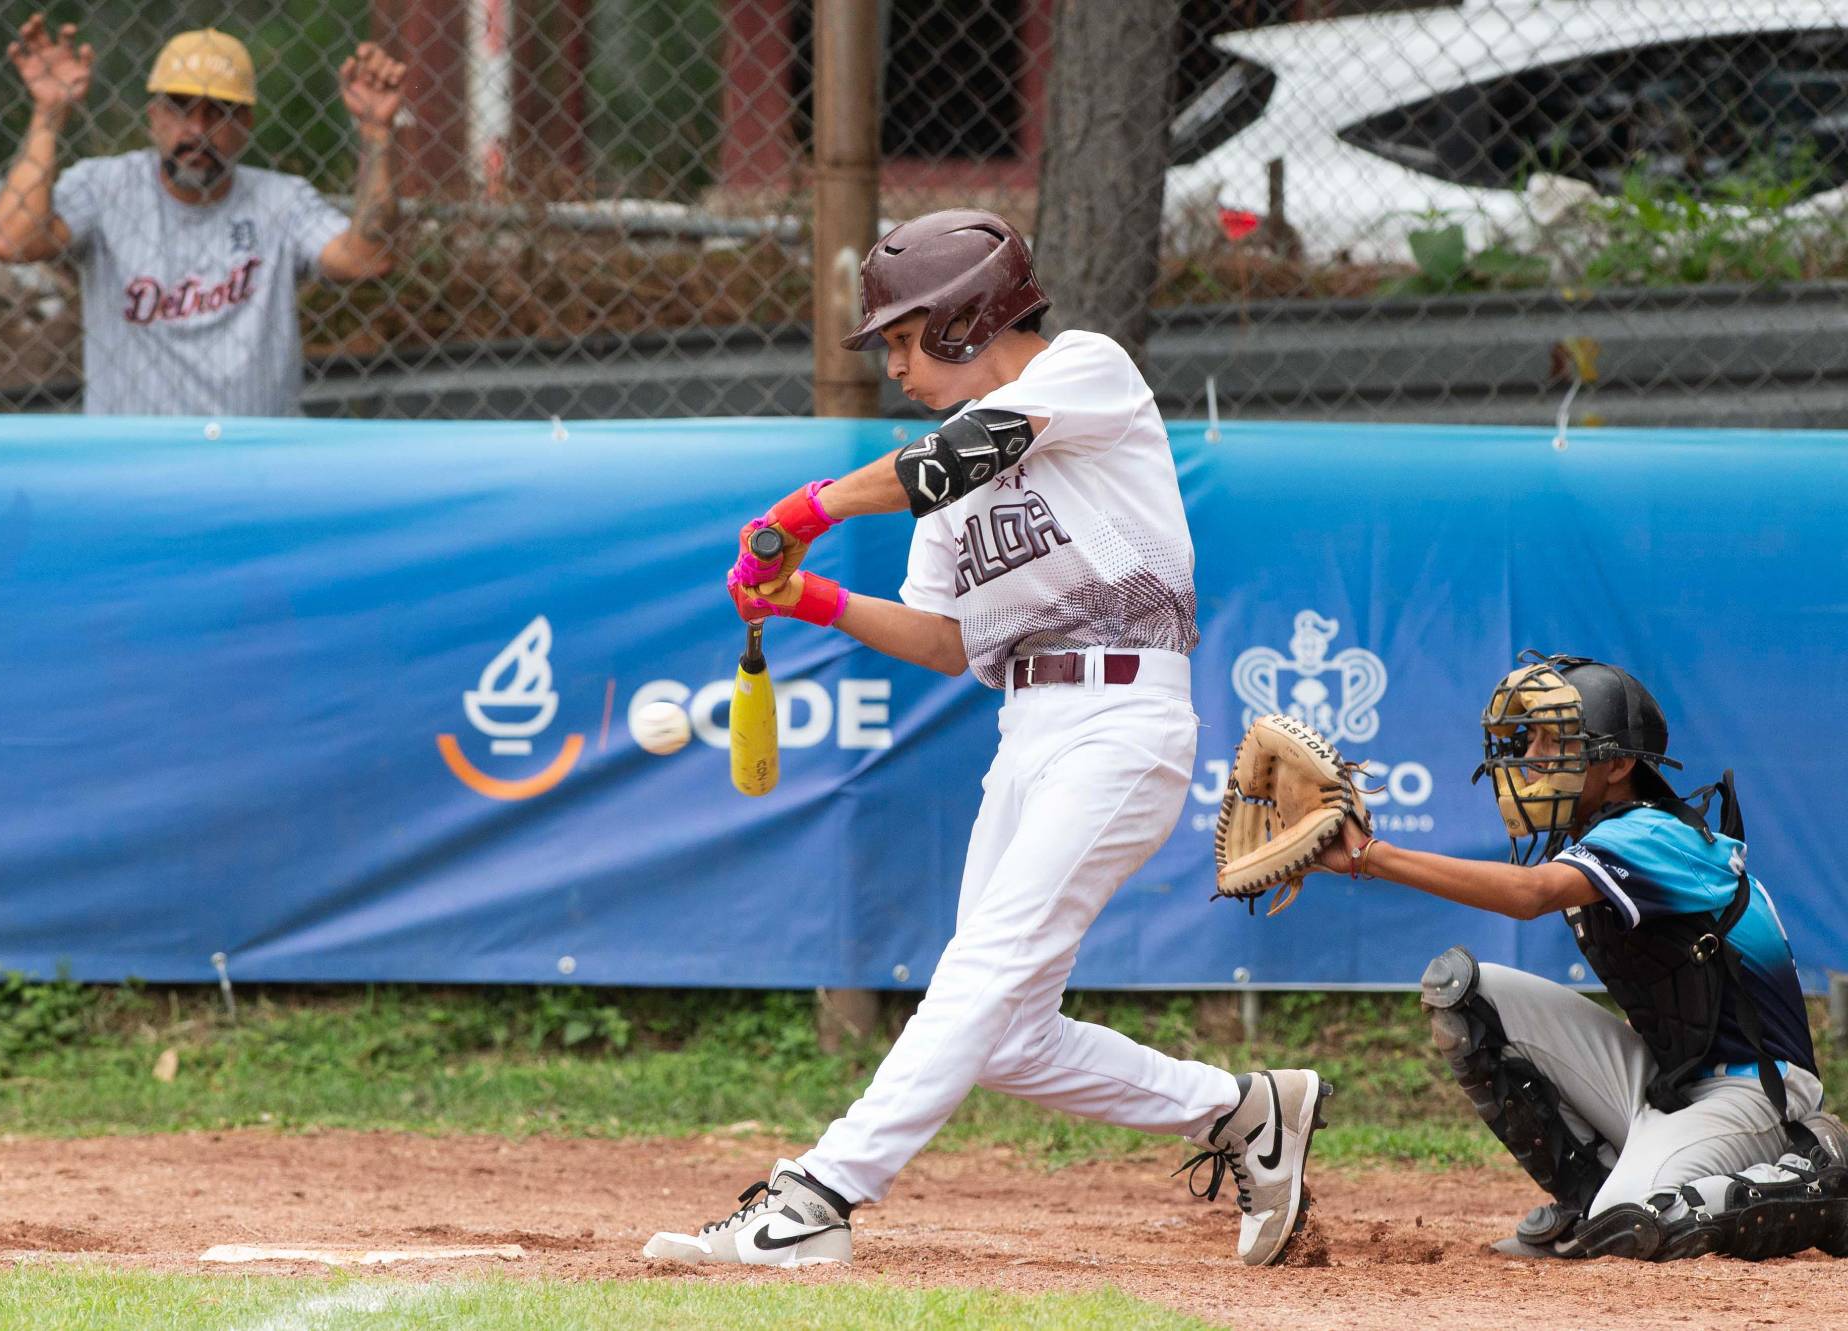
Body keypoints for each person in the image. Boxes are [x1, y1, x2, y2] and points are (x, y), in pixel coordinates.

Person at [640, 209, 1331, 1270]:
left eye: (907, 339)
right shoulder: (940, 490)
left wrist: (803, 508)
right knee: (1005, 1030)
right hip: (1026, 731)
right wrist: (811, 598)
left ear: (966, 319)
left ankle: (818, 1196)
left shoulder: (1082, 372)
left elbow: (956, 454)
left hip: (1121, 720)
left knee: (979, 965)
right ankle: (1243, 1112)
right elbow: (952, 640)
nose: (897, 365)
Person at [1315, 652, 1846, 1260]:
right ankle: (1589, 1201)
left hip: (1754, 1095)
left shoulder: (1654, 833)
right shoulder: (1600, 837)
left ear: (1618, 763)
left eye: (1555, 740)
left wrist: (1369, 856)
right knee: (1468, 993)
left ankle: (1814, 1174)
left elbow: (1529, 895)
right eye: (1532, 738)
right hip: (1668, 1082)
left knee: (1636, 1221)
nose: (1534, 757)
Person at [0, 15, 406, 416]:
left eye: (217, 111)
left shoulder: (282, 200)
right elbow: (13, 241)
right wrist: (49, 112)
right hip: (136, 461)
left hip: (255, 459)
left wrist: (375, 133)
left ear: (246, 123)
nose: (196, 130)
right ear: (154, 119)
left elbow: (366, 258)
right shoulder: (105, 187)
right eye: (180, 107)